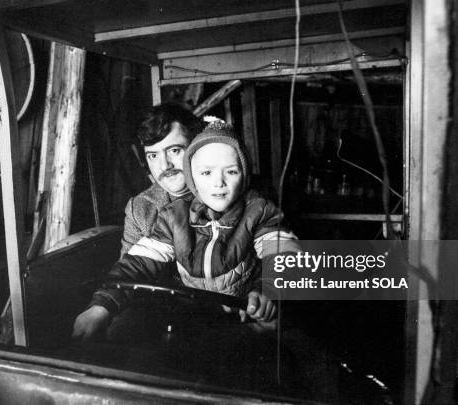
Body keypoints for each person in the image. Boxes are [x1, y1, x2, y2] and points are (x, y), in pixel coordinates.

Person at [72, 121, 298, 342]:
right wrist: (100, 307)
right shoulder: (174, 216)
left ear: (245, 175)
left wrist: (267, 293)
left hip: (243, 317)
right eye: (206, 173)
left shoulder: (259, 210)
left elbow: (285, 255)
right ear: (192, 179)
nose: (218, 182)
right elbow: (137, 264)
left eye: (231, 171)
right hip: (190, 318)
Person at [120, 102, 205, 257]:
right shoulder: (140, 209)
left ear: (196, 147)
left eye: (174, 150)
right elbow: (128, 276)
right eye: (153, 156)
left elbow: (266, 276)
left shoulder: (231, 192)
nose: (165, 165)